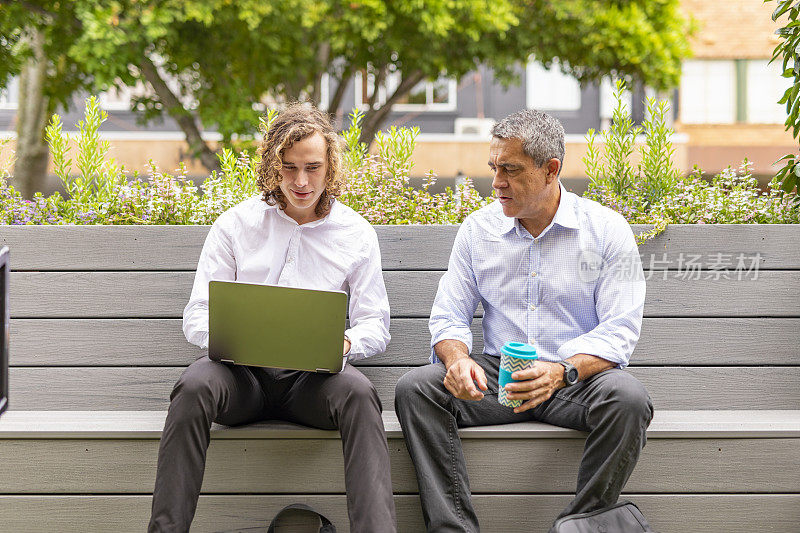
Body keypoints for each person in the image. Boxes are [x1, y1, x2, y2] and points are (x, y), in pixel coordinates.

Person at [394, 108, 652, 532]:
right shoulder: (478, 230)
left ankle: (579, 525)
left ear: (551, 170)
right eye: (494, 168)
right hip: (500, 380)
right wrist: (457, 360)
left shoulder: (606, 230)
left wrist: (561, 371)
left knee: (628, 399)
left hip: (575, 380)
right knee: (417, 388)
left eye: (511, 170)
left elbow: (619, 331)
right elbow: (448, 316)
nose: (496, 183)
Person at [149, 103, 396, 533]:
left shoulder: (356, 234)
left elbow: (375, 322)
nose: (301, 182)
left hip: (313, 384)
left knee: (360, 395)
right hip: (241, 379)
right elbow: (196, 316)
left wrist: (346, 343)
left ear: (330, 165)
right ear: (272, 166)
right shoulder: (236, 225)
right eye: (289, 168)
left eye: (313, 168)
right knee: (192, 385)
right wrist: (235, 335)